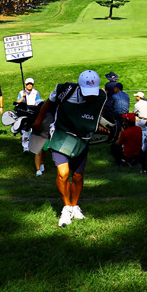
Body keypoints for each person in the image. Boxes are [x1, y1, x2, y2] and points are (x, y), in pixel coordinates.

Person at [35, 70, 107, 227]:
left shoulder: (100, 96)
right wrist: (38, 120)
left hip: (82, 139)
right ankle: (66, 207)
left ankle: (75, 206)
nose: (90, 96)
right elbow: (48, 103)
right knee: (63, 173)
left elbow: (97, 115)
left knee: (78, 176)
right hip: (61, 135)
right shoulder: (66, 90)